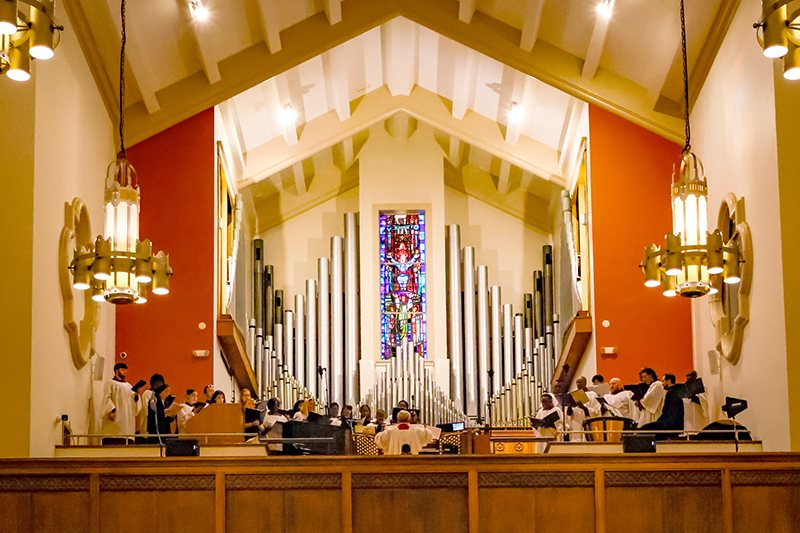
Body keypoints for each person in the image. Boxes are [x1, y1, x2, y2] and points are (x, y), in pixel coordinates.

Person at [100, 363, 140, 443]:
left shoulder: (129, 386)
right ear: (116, 371)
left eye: (126, 370)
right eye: (122, 370)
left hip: (127, 421)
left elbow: (134, 404)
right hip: (115, 418)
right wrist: (111, 410)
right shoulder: (110, 383)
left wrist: (136, 396)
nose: (125, 372)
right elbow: (107, 398)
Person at [640, 374, 685, 439]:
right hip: (676, 424)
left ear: (668, 381)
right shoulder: (675, 392)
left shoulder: (671, 393)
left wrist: (659, 422)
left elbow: (667, 412)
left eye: (663, 381)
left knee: (644, 429)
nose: (662, 384)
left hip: (670, 424)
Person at [567, 376, 601, 441]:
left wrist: (584, 408)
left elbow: (597, 411)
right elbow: (568, 416)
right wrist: (569, 408)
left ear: (585, 383)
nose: (578, 384)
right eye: (577, 382)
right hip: (575, 428)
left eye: (580, 382)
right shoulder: (573, 396)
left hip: (587, 425)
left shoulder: (592, 394)